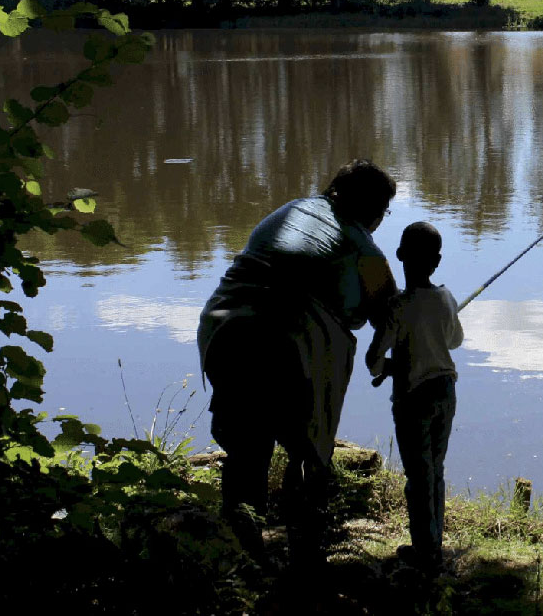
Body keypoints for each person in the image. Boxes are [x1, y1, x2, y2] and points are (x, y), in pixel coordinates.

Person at [196, 159, 398, 565]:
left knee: (246, 449)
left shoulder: (289, 210)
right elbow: (390, 314)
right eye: (383, 209)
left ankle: (240, 556)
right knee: (307, 450)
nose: (381, 218)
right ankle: (306, 554)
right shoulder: (363, 246)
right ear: (371, 209)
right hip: (288, 346)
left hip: (224, 328)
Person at [366, 221, 464, 571]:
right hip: (446, 391)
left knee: (418, 477)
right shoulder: (447, 298)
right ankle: (433, 545)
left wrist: (389, 368)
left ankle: (425, 555)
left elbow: (372, 361)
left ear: (399, 256)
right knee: (435, 471)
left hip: (413, 398)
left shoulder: (397, 307)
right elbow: (454, 342)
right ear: (437, 262)